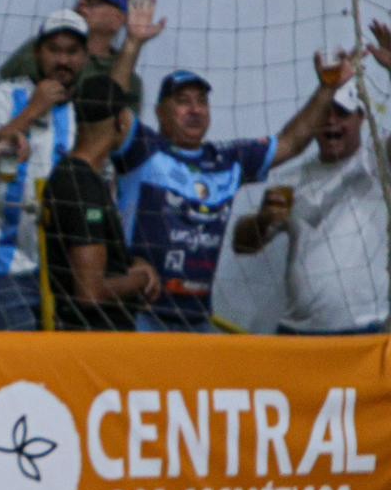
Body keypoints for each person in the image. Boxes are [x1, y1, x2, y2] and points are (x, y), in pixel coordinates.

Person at [110, 41, 355, 333]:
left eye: (201, 101)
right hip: (140, 318)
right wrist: (133, 43)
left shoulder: (227, 159)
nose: (195, 110)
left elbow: (291, 142)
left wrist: (327, 89)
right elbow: (108, 107)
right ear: (161, 112)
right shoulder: (144, 150)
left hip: (199, 321)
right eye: (183, 101)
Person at [231, 74, 387, 335]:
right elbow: (242, 245)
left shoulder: (379, 163)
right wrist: (263, 220)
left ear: (361, 117)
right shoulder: (289, 179)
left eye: (342, 113)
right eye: (325, 113)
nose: (331, 122)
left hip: (365, 332)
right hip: (297, 333)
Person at [0, 9, 89, 331]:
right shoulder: (3, 97)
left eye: (72, 52)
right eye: (55, 50)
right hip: (7, 268)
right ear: (38, 52)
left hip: (68, 273)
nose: (63, 60)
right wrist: (34, 110)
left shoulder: (85, 113)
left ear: (84, 57)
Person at [42, 75, 160, 331]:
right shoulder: (82, 186)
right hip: (91, 342)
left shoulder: (74, 176)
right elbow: (89, 291)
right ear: (121, 121)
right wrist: (142, 279)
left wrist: (133, 266)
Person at [0, 0, 144, 111]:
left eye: (93, 1)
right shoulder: (43, 46)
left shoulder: (129, 78)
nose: (81, 3)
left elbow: (124, 130)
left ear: (118, 19)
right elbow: (2, 90)